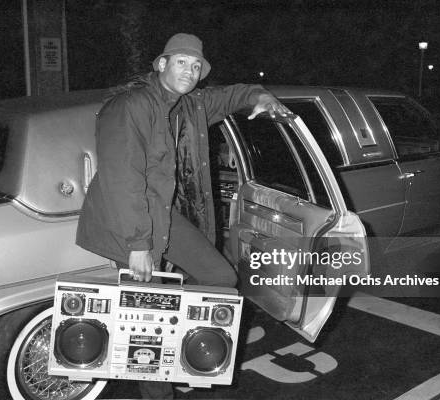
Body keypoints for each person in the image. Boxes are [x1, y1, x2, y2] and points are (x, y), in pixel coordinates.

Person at [76, 33, 290, 398]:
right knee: (147, 325)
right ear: (161, 64)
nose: (189, 71)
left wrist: (260, 96)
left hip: (160, 214)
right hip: (125, 221)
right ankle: (154, 364)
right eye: (181, 63)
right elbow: (124, 180)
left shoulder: (190, 104)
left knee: (220, 276)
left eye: (195, 66)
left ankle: (166, 321)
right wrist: (138, 245)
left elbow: (232, 95)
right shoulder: (131, 106)